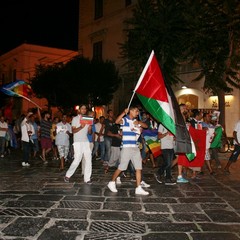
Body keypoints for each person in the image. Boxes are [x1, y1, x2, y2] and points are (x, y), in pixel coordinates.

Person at [107, 106, 149, 195]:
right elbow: (117, 121)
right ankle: (111, 182)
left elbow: (146, 126)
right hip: (126, 147)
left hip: (135, 147)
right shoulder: (125, 120)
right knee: (122, 167)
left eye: (138, 112)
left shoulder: (135, 121)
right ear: (131, 111)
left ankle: (138, 188)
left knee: (138, 168)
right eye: (136, 111)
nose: (137, 113)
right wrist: (123, 112)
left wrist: (139, 123)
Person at [64, 104, 92, 184]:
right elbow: (73, 131)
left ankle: (87, 178)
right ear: (79, 110)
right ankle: (68, 175)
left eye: (85, 109)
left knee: (88, 159)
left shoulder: (87, 119)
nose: (84, 110)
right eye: (82, 108)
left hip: (86, 141)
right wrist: (81, 127)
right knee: (77, 159)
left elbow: (89, 133)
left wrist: (90, 129)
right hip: (77, 142)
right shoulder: (75, 119)